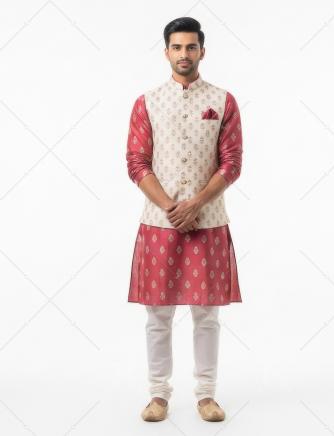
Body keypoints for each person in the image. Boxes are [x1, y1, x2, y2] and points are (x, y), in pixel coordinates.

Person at [125, 17, 243, 422]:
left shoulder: (223, 101)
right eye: (177, 47)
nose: (184, 54)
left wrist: (196, 204)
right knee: (158, 314)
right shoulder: (147, 102)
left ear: (202, 52)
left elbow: (232, 163)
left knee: (206, 313)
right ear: (166, 52)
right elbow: (136, 162)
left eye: (191, 47)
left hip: (208, 219)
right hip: (160, 223)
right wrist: (172, 208)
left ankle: (206, 395)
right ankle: (158, 395)